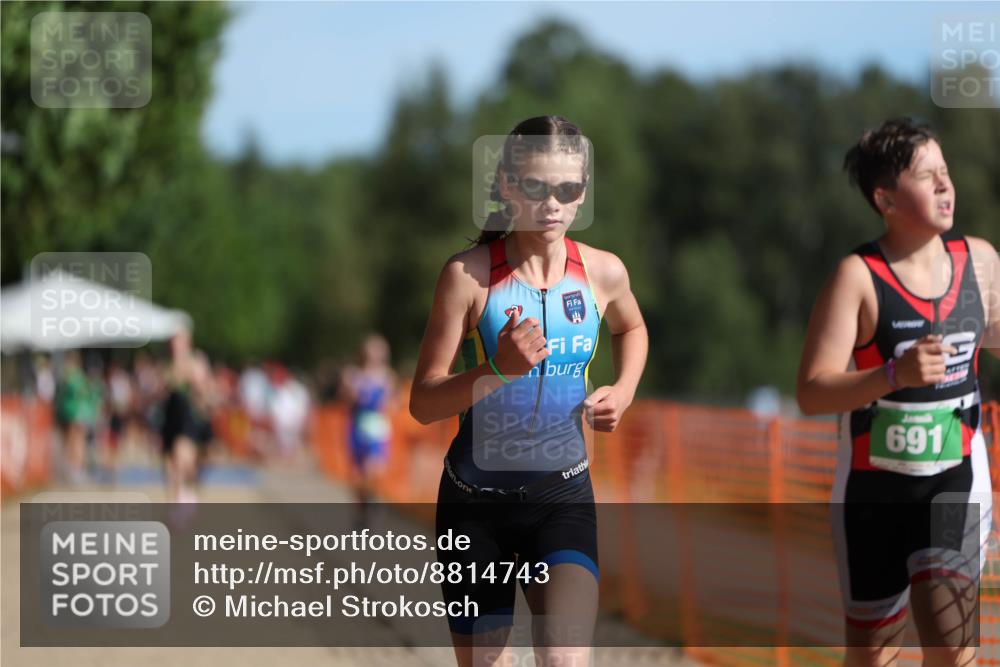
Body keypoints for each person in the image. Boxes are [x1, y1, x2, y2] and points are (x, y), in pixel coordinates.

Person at [410, 115, 647, 667]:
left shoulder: (603, 273)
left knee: (564, 659)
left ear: (583, 192)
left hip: (561, 499)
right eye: (536, 188)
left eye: (569, 190)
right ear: (506, 186)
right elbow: (422, 402)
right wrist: (497, 368)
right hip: (475, 511)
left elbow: (631, 328)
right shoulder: (468, 277)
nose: (553, 205)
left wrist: (625, 389)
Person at [797, 118, 999, 667]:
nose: (944, 185)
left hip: (955, 481)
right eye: (926, 175)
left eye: (946, 171)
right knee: (871, 656)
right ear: (885, 198)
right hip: (873, 494)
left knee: (952, 646)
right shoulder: (857, 277)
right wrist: (893, 376)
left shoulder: (979, 262)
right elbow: (812, 393)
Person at [340, 334, 397, 524]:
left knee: (373, 469)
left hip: (376, 427)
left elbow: (392, 403)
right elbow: (345, 400)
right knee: (357, 474)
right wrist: (353, 394)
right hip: (357, 425)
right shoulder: (353, 375)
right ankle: (362, 507)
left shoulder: (387, 376)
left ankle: (373, 501)